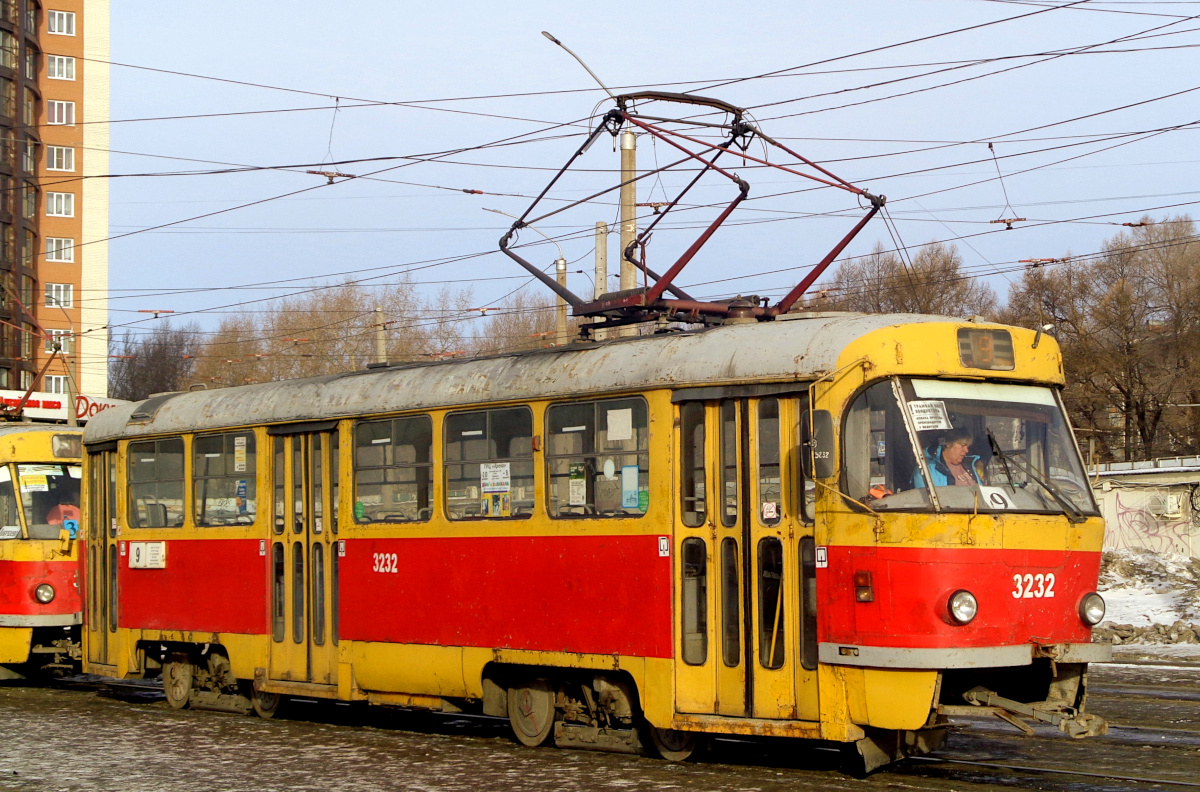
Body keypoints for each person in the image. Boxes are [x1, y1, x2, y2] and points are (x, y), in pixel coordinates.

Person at [913, 429, 984, 488]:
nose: (966, 450)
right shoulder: (927, 469)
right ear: (948, 444)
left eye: (967, 447)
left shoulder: (970, 465)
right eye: (963, 445)